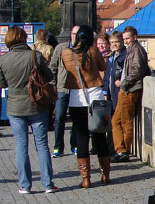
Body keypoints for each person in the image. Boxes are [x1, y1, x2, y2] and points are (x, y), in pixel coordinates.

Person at [0, 26, 58, 194]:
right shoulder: (34, 56)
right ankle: (47, 184)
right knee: (42, 145)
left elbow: (2, 84)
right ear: (24, 38)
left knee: (21, 145)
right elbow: (49, 76)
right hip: (37, 105)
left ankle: (25, 185)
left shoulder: (4, 59)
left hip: (15, 107)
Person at [59, 26, 109, 188]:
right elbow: (103, 67)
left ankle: (86, 179)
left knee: (81, 138)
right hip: (95, 97)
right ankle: (105, 175)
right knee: (100, 136)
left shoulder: (66, 53)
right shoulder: (93, 52)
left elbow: (65, 69)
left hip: (76, 99)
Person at [110, 26, 150, 162]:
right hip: (127, 88)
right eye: (124, 39)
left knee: (125, 121)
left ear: (134, 37)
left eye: (127, 38)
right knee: (116, 120)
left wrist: (124, 83)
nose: (125, 41)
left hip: (130, 89)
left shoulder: (137, 49)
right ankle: (120, 149)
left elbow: (137, 70)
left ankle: (124, 151)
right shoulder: (131, 49)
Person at [49, 28, 73, 156]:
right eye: (73, 34)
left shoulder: (82, 49)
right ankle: (58, 146)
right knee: (59, 118)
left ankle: (74, 144)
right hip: (62, 88)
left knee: (77, 119)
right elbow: (53, 67)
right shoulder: (60, 48)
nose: (75, 37)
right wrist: (53, 85)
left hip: (76, 89)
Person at [103, 32, 125, 111]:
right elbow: (106, 76)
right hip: (110, 94)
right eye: (112, 42)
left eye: (117, 42)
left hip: (120, 92)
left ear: (122, 41)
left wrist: (122, 82)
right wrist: (105, 92)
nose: (114, 44)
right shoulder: (110, 57)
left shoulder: (126, 55)